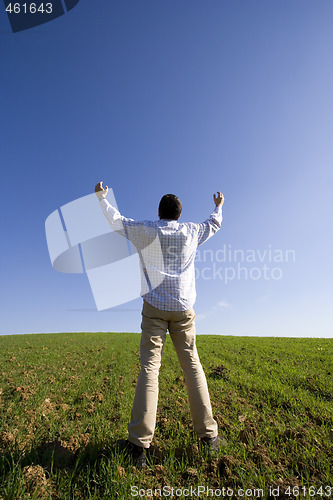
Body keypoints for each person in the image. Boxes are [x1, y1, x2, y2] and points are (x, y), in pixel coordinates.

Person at [95, 182, 225, 467]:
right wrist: (218, 204)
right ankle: (208, 436)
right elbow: (213, 224)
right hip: (183, 307)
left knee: (149, 368)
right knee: (192, 365)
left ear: (159, 212)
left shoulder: (147, 230)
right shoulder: (191, 231)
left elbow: (117, 221)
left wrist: (102, 198)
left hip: (154, 308)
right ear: (179, 214)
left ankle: (139, 445)